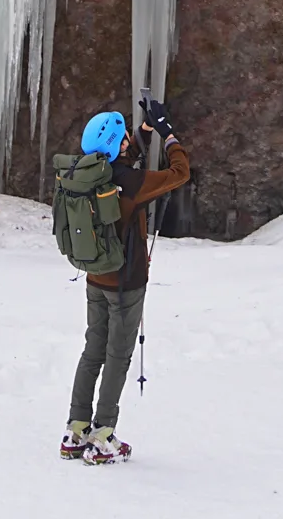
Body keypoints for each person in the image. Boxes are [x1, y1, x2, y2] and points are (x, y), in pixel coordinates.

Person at [60, 93, 189, 464]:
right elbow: (180, 173)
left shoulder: (86, 173)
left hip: (95, 278)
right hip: (126, 285)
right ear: (116, 145)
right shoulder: (131, 183)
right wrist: (169, 137)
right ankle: (103, 435)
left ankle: (76, 429)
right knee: (118, 356)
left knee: (92, 351)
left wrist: (143, 132)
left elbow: (121, 158)